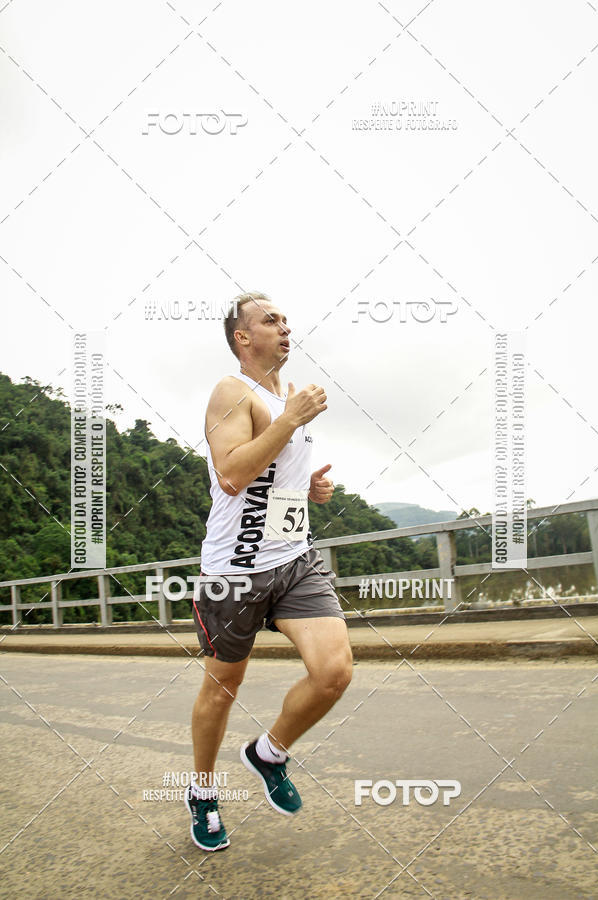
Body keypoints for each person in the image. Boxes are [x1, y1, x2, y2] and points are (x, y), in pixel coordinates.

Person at [184, 291, 353, 851]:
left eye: (285, 319)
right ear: (242, 337)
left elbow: (272, 478)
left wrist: (308, 489)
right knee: (222, 687)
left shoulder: (285, 397)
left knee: (333, 673)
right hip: (234, 570)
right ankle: (202, 793)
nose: (285, 327)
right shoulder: (232, 392)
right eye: (270, 320)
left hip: (294, 560)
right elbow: (232, 474)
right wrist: (290, 418)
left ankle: (268, 752)